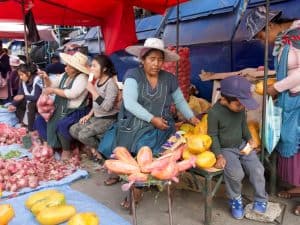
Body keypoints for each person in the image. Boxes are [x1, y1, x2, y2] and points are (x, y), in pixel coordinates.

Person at [99, 37, 199, 206]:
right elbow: (130, 103)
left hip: (162, 125)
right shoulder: (133, 75)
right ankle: (134, 188)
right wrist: (152, 119)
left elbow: (180, 101)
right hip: (136, 123)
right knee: (133, 153)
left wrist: (191, 117)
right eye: (152, 59)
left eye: (160, 60)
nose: (156, 64)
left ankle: (140, 186)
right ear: (142, 59)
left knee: (155, 156)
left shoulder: (169, 79)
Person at [246, 6, 300, 216]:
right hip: (291, 99)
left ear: (269, 26)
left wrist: (275, 88)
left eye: (260, 36)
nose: (262, 41)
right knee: (294, 144)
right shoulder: (283, 39)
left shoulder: (296, 35)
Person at [208, 76, 268, 219]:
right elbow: (213, 136)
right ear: (224, 99)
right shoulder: (214, 113)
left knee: (258, 169)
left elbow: (243, 126)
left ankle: (261, 199)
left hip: (242, 144)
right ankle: (235, 199)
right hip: (226, 149)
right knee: (236, 174)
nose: (242, 107)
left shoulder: (240, 109)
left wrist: (250, 139)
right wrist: (219, 155)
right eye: (239, 104)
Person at [36, 52, 90, 160]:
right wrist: (46, 77)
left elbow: (72, 94)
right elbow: (51, 84)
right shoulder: (65, 76)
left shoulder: (83, 78)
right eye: (67, 65)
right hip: (61, 108)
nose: (66, 68)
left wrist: (53, 90)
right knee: (40, 120)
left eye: (69, 67)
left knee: (62, 124)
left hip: (77, 111)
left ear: (77, 69)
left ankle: (67, 150)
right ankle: (51, 144)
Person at [70, 54, 119, 162]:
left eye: (94, 66)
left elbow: (107, 107)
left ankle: (101, 153)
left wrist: (92, 91)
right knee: (73, 129)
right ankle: (95, 149)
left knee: (83, 135)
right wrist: (89, 115)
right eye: (91, 66)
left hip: (108, 119)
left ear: (104, 68)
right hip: (97, 117)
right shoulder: (97, 81)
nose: (91, 69)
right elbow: (96, 104)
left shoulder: (111, 84)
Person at [8, 63, 42, 132]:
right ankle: (23, 122)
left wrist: (23, 96)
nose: (20, 77)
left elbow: (36, 97)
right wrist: (13, 104)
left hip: (40, 102)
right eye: (19, 75)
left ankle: (30, 129)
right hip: (30, 100)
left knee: (31, 105)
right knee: (18, 104)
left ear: (28, 73)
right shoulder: (22, 81)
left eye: (22, 75)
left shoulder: (38, 80)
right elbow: (20, 94)